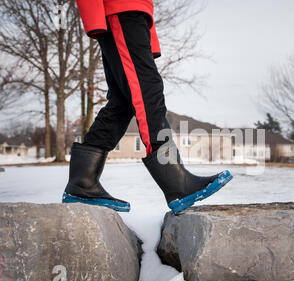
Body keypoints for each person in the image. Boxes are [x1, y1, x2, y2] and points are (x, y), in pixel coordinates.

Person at [62, 0, 232, 215]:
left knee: (123, 100)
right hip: (121, 10)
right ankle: (177, 183)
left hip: (132, 13)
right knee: (147, 90)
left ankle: (83, 182)